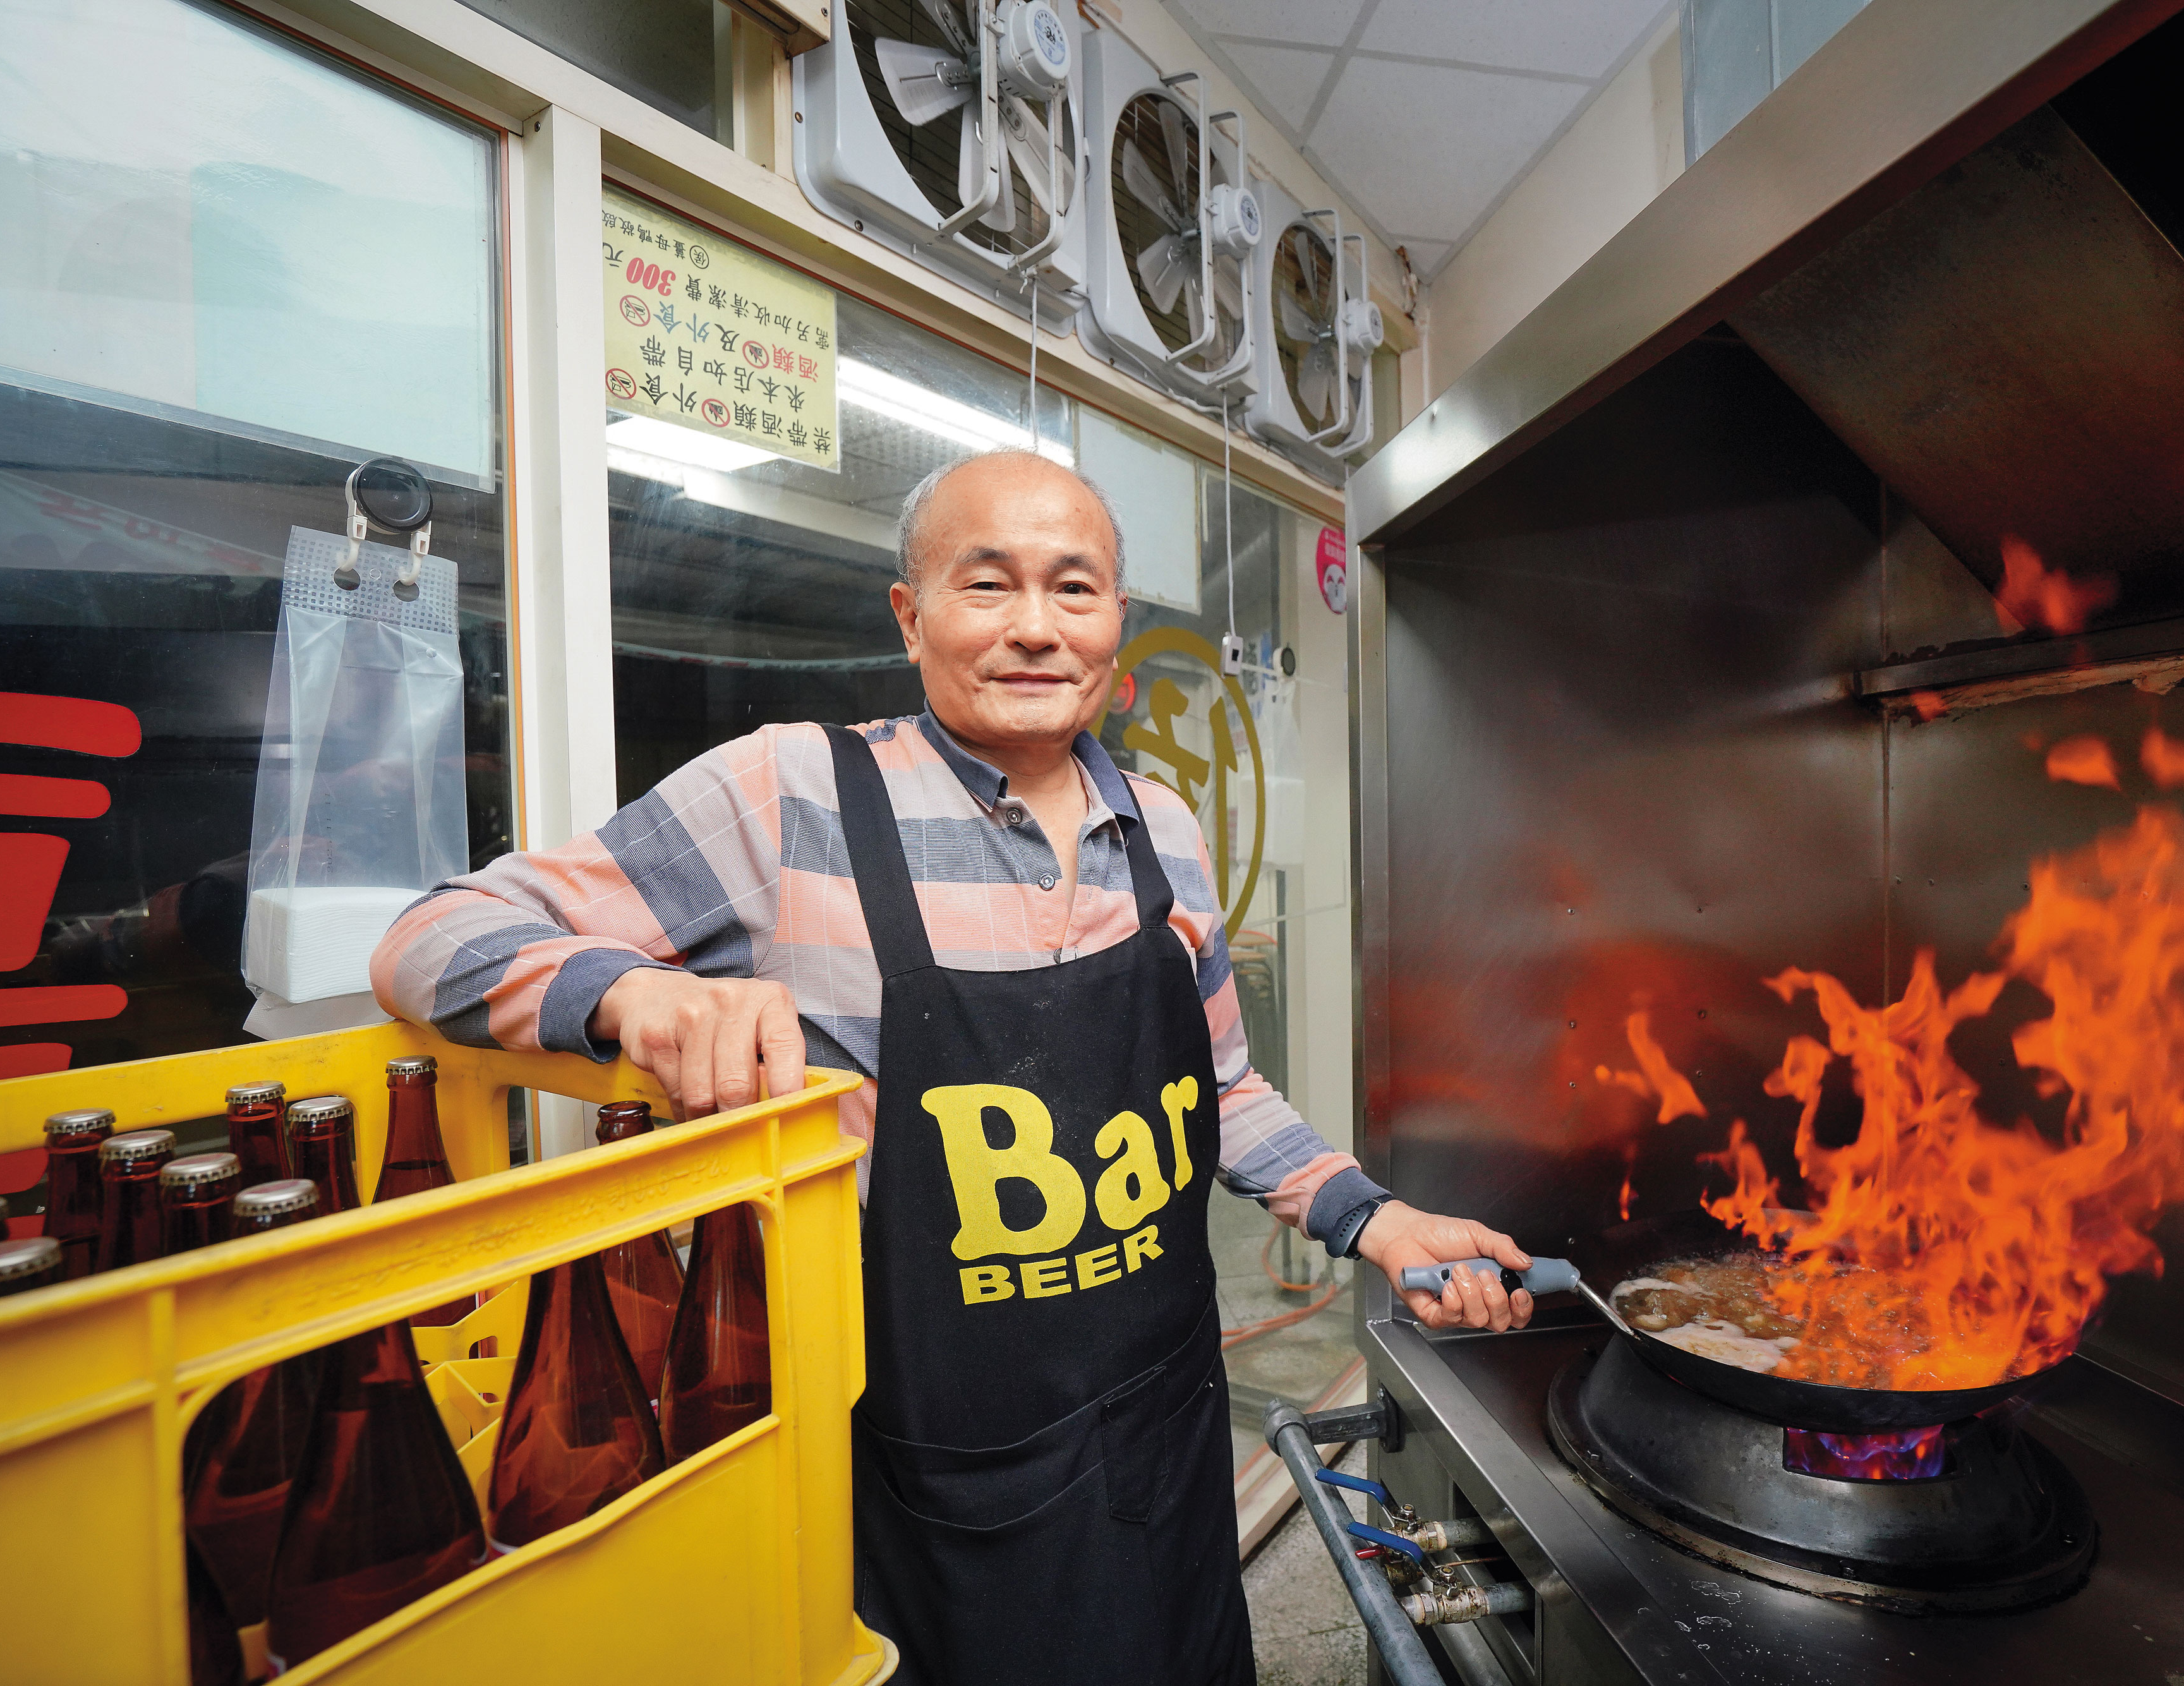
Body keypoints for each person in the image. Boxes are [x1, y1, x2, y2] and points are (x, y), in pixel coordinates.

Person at [370, 449, 1535, 1685]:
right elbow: (427, 938)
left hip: (1167, 1421)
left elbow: (1220, 1089)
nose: (1035, 627)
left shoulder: (1163, 826)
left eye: (1074, 588)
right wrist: (630, 991)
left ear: (1113, 621)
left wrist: (1376, 1220)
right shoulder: (791, 794)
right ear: (909, 615)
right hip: (935, 1471)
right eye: (987, 584)